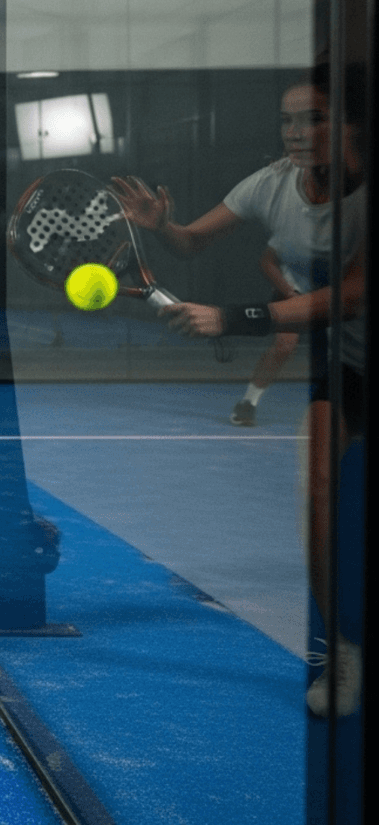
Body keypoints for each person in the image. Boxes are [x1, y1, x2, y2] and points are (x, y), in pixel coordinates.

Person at [111, 63, 365, 718]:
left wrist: (231, 317)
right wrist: (159, 224)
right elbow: (193, 242)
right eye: (287, 118)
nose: (296, 131)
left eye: (312, 118)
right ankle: (336, 650)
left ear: (352, 126)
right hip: (345, 372)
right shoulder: (272, 184)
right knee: (317, 494)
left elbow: (349, 297)